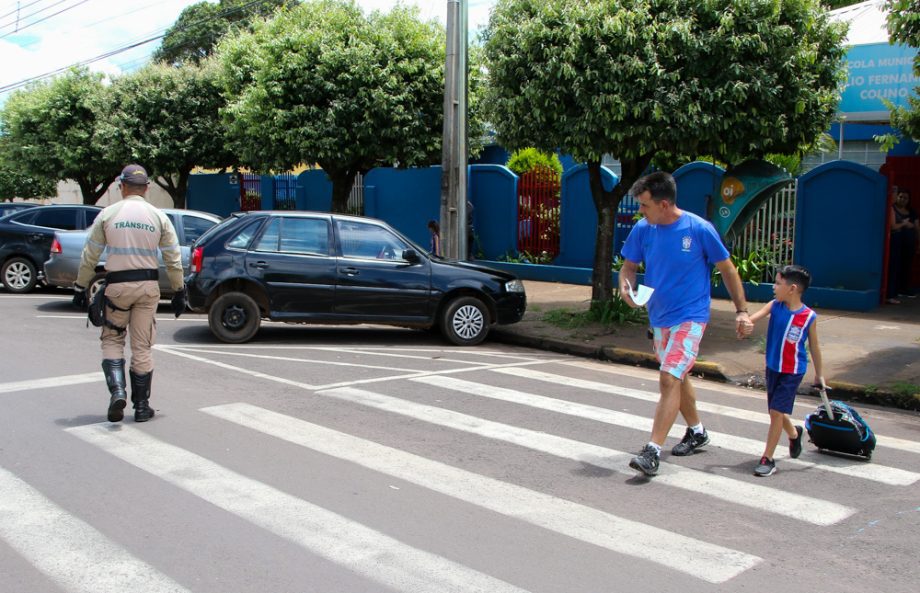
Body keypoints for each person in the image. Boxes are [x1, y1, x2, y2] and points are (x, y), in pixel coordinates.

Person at [619, 171, 753, 477]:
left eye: (645, 205)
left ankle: (652, 451)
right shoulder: (644, 229)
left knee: (668, 378)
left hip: (691, 317)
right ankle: (697, 431)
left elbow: (728, 269)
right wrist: (626, 286)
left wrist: (741, 311)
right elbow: (628, 267)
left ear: (664, 204)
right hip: (659, 317)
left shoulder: (698, 229)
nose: (640, 211)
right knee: (679, 378)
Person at [72, 164, 186, 423]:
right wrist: (179, 290)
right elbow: (173, 258)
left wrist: (81, 286)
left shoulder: (108, 214)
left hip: (117, 288)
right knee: (142, 347)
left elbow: (89, 255)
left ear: (121, 186)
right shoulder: (158, 217)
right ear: (146, 188)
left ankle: (118, 391)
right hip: (147, 289)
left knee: (112, 340)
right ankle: (142, 407)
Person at [748, 265, 825, 476]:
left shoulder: (808, 316)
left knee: (776, 412)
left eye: (778, 283)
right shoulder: (775, 306)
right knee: (775, 410)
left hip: (792, 371)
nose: (774, 287)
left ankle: (768, 458)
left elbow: (815, 347)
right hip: (773, 367)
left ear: (792, 288)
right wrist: (745, 322)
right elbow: (754, 317)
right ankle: (793, 433)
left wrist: (819, 374)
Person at [886, 188, 919, 304]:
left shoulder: (911, 211)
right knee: (894, 266)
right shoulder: (891, 208)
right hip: (896, 243)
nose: (903, 200)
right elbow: (893, 227)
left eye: (906, 198)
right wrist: (904, 224)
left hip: (908, 244)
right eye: (900, 197)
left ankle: (902, 289)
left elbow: (916, 227)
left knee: (906, 266)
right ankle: (893, 291)